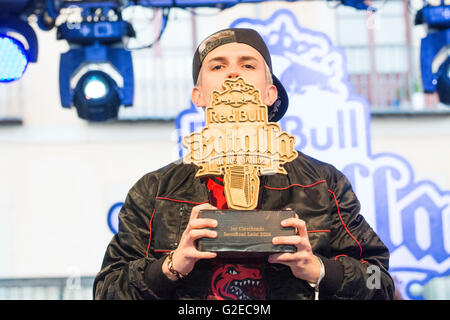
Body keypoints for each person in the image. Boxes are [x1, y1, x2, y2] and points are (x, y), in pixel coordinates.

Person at [93, 28, 395, 300]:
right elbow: (107, 290)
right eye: (218, 66)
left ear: (270, 93)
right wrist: (173, 265)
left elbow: (379, 282)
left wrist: (317, 268)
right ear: (198, 95)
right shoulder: (155, 190)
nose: (233, 74)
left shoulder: (322, 184)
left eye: (248, 65)